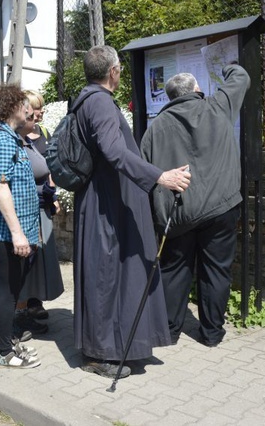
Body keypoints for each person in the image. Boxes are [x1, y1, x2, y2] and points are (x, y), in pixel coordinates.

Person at [72, 45, 190, 379]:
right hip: (106, 206)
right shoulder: (99, 102)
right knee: (106, 276)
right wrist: (160, 176)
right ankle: (99, 353)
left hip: (105, 200)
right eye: (120, 68)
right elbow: (113, 151)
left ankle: (118, 343)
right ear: (113, 71)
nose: (121, 72)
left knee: (113, 274)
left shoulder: (87, 99)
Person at [141, 64, 250, 348]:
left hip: (179, 214)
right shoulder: (217, 107)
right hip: (220, 207)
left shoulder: (155, 129)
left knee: (175, 270)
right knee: (216, 270)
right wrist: (226, 67)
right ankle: (212, 333)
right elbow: (241, 78)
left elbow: (145, 174)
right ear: (197, 91)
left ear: (170, 98)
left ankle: (168, 330)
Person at [0, 85, 41, 369]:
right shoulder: (2, 140)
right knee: (7, 294)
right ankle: (4, 352)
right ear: (12, 107)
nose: (29, 110)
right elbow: (0, 186)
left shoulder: (11, 138)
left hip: (17, 234)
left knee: (13, 292)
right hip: (8, 235)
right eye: (24, 104)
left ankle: (7, 341)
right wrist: (18, 234)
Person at [13, 104, 64, 332]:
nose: (37, 118)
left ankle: (27, 311)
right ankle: (18, 318)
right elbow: (13, 184)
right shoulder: (13, 142)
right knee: (24, 266)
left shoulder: (29, 141)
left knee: (33, 266)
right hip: (23, 213)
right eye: (31, 115)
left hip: (38, 207)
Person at [24, 90, 50, 155]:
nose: (43, 110)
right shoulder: (18, 135)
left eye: (42, 107)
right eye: (38, 108)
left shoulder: (44, 131)